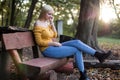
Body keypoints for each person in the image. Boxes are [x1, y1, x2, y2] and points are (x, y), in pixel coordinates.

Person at [33, 5, 111, 80]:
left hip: (54, 46)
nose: (51, 16)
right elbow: (39, 42)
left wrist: (52, 23)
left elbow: (55, 35)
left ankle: (98, 55)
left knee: (77, 42)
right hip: (47, 50)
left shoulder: (47, 23)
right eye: (49, 14)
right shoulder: (38, 24)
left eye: (52, 14)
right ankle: (83, 75)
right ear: (43, 12)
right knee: (76, 50)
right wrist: (53, 43)